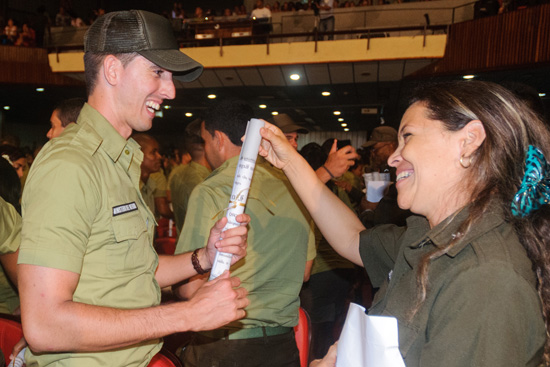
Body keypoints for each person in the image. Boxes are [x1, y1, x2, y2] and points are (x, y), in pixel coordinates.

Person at [258, 80, 550, 367]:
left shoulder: (485, 280)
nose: (394, 158)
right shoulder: (432, 238)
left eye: (407, 136)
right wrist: (289, 161)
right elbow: (352, 239)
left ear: (468, 140)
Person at [18, 10, 250, 367]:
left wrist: (204, 256)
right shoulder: (70, 165)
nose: (170, 90)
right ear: (112, 70)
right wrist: (189, 315)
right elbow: (44, 325)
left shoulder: (119, 160)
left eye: (170, 77)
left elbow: (133, 271)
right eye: (157, 72)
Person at [174, 100, 316, 367]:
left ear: (218, 139)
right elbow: (305, 270)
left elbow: (189, 287)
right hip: (282, 347)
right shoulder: (295, 188)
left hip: (224, 347)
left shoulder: (212, 190)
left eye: (205, 142)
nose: (205, 151)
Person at [270, 113, 359, 183]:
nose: (295, 144)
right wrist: (327, 171)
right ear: (268, 140)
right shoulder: (261, 170)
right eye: (288, 138)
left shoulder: (294, 167)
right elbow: (289, 200)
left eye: (296, 139)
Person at [169, 119, 211, 234]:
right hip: (199, 248)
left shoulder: (177, 174)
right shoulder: (204, 182)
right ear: (207, 143)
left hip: (182, 246)